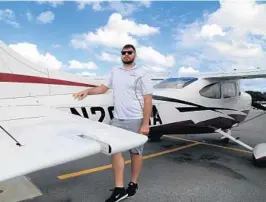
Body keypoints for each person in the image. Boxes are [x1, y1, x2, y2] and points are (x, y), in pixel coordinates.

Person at [72, 44, 153, 202]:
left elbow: (148, 99)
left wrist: (145, 123)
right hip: (117, 119)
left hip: (135, 119)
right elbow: (103, 88)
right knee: (116, 151)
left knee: (136, 153)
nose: (126, 55)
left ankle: (133, 183)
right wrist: (87, 91)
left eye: (129, 52)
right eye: (123, 53)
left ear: (135, 55)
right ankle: (119, 189)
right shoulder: (115, 71)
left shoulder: (142, 73)